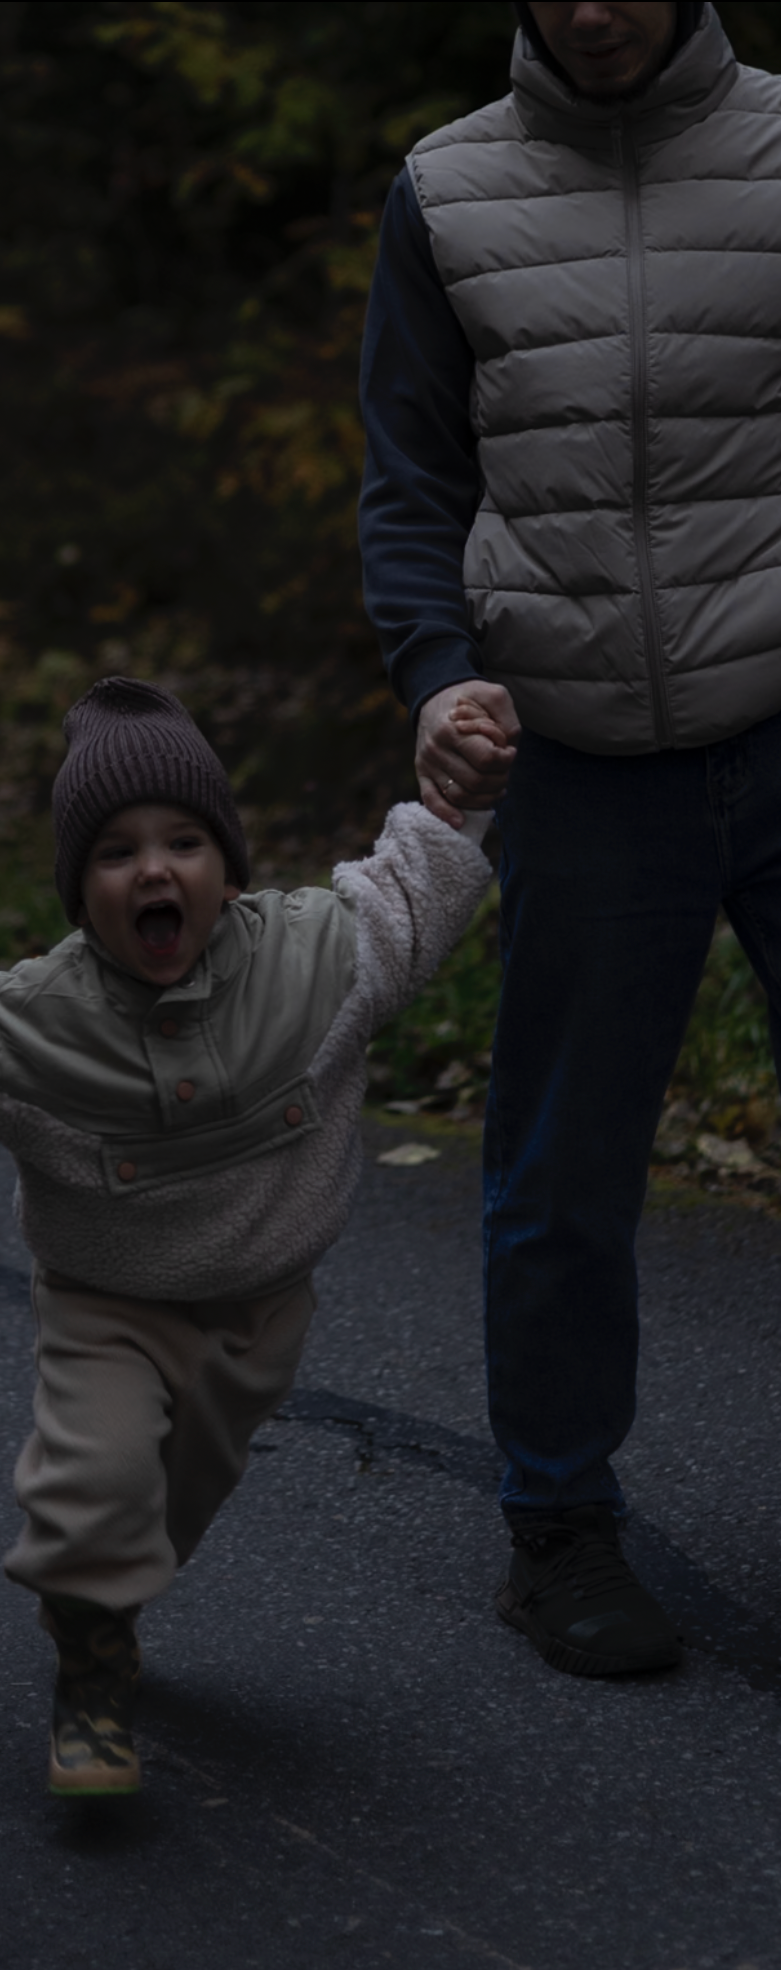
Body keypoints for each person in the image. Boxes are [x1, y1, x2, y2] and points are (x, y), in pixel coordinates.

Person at [0, 676, 493, 1794]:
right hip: (108, 1301)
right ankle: (91, 1675)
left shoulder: (317, 960)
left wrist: (453, 799)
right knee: (97, 1488)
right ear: (78, 894)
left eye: (185, 841)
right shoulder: (37, 1020)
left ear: (227, 867)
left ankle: (113, 1592)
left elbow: (410, 897)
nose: (154, 869)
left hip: (262, 1308)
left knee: (171, 1506)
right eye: (115, 853)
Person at [358, 0, 781, 1677]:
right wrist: (438, 673)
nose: (595, 8)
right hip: (581, 760)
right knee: (564, 1174)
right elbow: (410, 475)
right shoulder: (447, 190)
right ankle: (559, 1531)